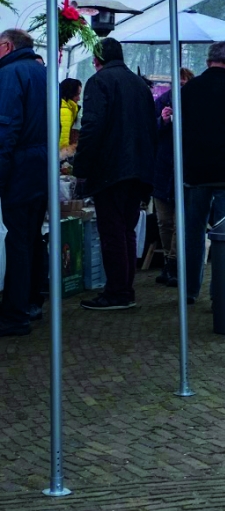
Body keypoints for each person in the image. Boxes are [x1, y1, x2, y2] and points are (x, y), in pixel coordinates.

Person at [74, 37, 157, 310]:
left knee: (112, 232)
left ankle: (117, 292)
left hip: (111, 169)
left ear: (97, 60)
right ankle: (124, 289)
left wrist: (81, 168)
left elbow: (92, 127)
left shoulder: (99, 82)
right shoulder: (139, 85)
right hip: (139, 168)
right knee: (127, 230)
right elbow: (150, 127)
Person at [181, 42, 225, 303]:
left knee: (193, 232)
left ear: (208, 61)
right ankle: (223, 290)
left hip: (196, 172)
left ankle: (190, 290)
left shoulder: (190, 88)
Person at [0, 29, 48, 336]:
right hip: (41, 164)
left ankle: (15, 314)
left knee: (17, 240)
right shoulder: (42, 72)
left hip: (19, 165)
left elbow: (6, 126)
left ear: (6, 46)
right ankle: (32, 301)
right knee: (31, 237)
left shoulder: (10, 73)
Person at [153, 67, 194, 287]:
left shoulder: (195, 104)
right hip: (163, 168)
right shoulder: (162, 101)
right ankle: (171, 262)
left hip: (185, 168)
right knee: (164, 221)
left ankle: (174, 264)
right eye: (176, 83)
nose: (179, 87)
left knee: (181, 221)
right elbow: (151, 131)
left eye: (184, 84)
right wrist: (163, 121)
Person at [59, 78, 82, 151]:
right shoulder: (66, 111)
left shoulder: (61, 106)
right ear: (70, 94)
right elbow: (62, 142)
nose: (79, 98)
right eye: (77, 95)